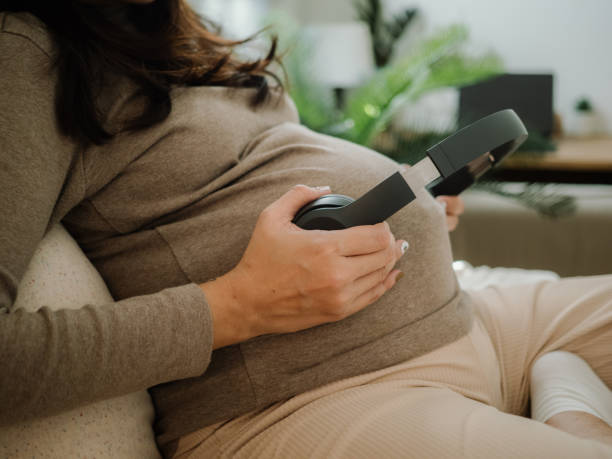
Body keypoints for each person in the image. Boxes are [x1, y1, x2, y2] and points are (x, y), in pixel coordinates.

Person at [0, 1, 610, 457]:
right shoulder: (25, 52)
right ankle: (571, 409)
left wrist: (404, 199)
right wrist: (237, 305)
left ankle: (562, 396)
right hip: (312, 399)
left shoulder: (163, 28)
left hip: (467, 321)